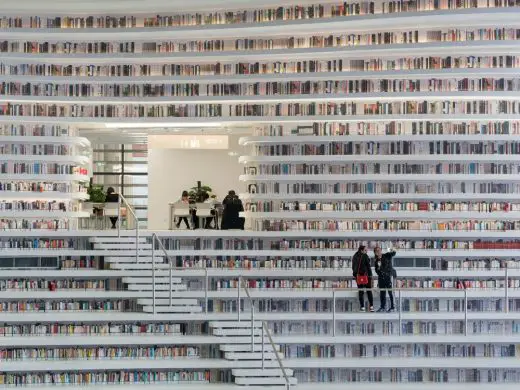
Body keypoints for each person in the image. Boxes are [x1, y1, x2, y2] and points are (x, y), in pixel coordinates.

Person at [374, 246, 397, 312]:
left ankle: (393, 307)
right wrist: (378, 269)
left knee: (390, 292)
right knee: (382, 293)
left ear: (381, 250)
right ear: (375, 253)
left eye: (379, 250)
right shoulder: (376, 261)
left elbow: (394, 253)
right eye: (376, 251)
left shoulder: (387, 255)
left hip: (389, 276)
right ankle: (382, 307)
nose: (378, 252)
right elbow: (376, 270)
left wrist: (391, 248)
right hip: (381, 278)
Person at [352, 245, 374, 312]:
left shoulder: (354, 256)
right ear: (361, 250)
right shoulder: (365, 256)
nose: (366, 251)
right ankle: (371, 307)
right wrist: (370, 275)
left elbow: (353, 267)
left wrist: (356, 275)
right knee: (369, 291)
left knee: (361, 291)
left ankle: (362, 307)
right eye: (365, 250)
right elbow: (368, 266)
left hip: (358, 277)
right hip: (366, 276)